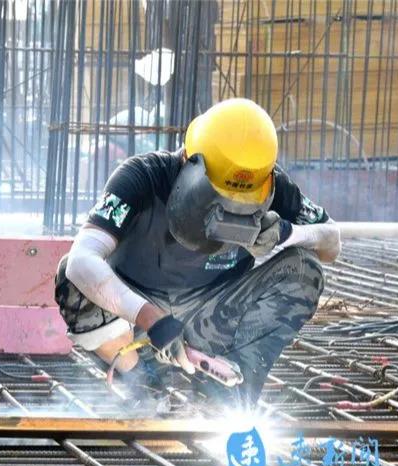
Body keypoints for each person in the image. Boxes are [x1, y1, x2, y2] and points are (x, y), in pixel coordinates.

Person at [54, 98, 341, 410]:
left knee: (304, 269)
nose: (231, 211)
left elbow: (332, 240)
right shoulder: (142, 177)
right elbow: (82, 261)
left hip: (211, 322)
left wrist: (288, 233)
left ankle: (232, 396)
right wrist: (152, 318)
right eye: (221, 201)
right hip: (135, 325)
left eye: (242, 205)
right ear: (190, 163)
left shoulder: (274, 184)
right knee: (72, 279)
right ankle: (144, 386)